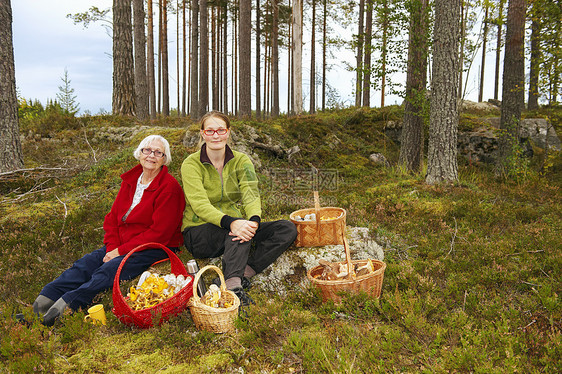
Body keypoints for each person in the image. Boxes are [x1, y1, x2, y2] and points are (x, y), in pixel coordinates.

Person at [33, 135, 185, 326]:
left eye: (158, 152)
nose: (151, 156)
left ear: (165, 159)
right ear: (139, 153)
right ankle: (40, 306)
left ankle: (62, 310)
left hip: (153, 247)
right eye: (147, 150)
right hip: (122, 243)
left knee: (107, 271)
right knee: (83, 265)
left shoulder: (169, 188)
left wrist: (119, 252)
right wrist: (113, 247)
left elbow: (159, 233)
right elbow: (112, 218)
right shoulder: (131, 180)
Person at [181, 111, 297, 306]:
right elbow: (200, 205)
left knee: (286, 228)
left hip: (233, 225)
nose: (215, 135)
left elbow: (250, 193)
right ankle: (234, 290)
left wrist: (253, 221)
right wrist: (232, 223)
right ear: (202, 134)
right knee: (235, 232)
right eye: (210, 131)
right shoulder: (191, 164)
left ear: (228, 132)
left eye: (220, 130)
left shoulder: (242, 161)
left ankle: (239, 275)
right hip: (198, 230)